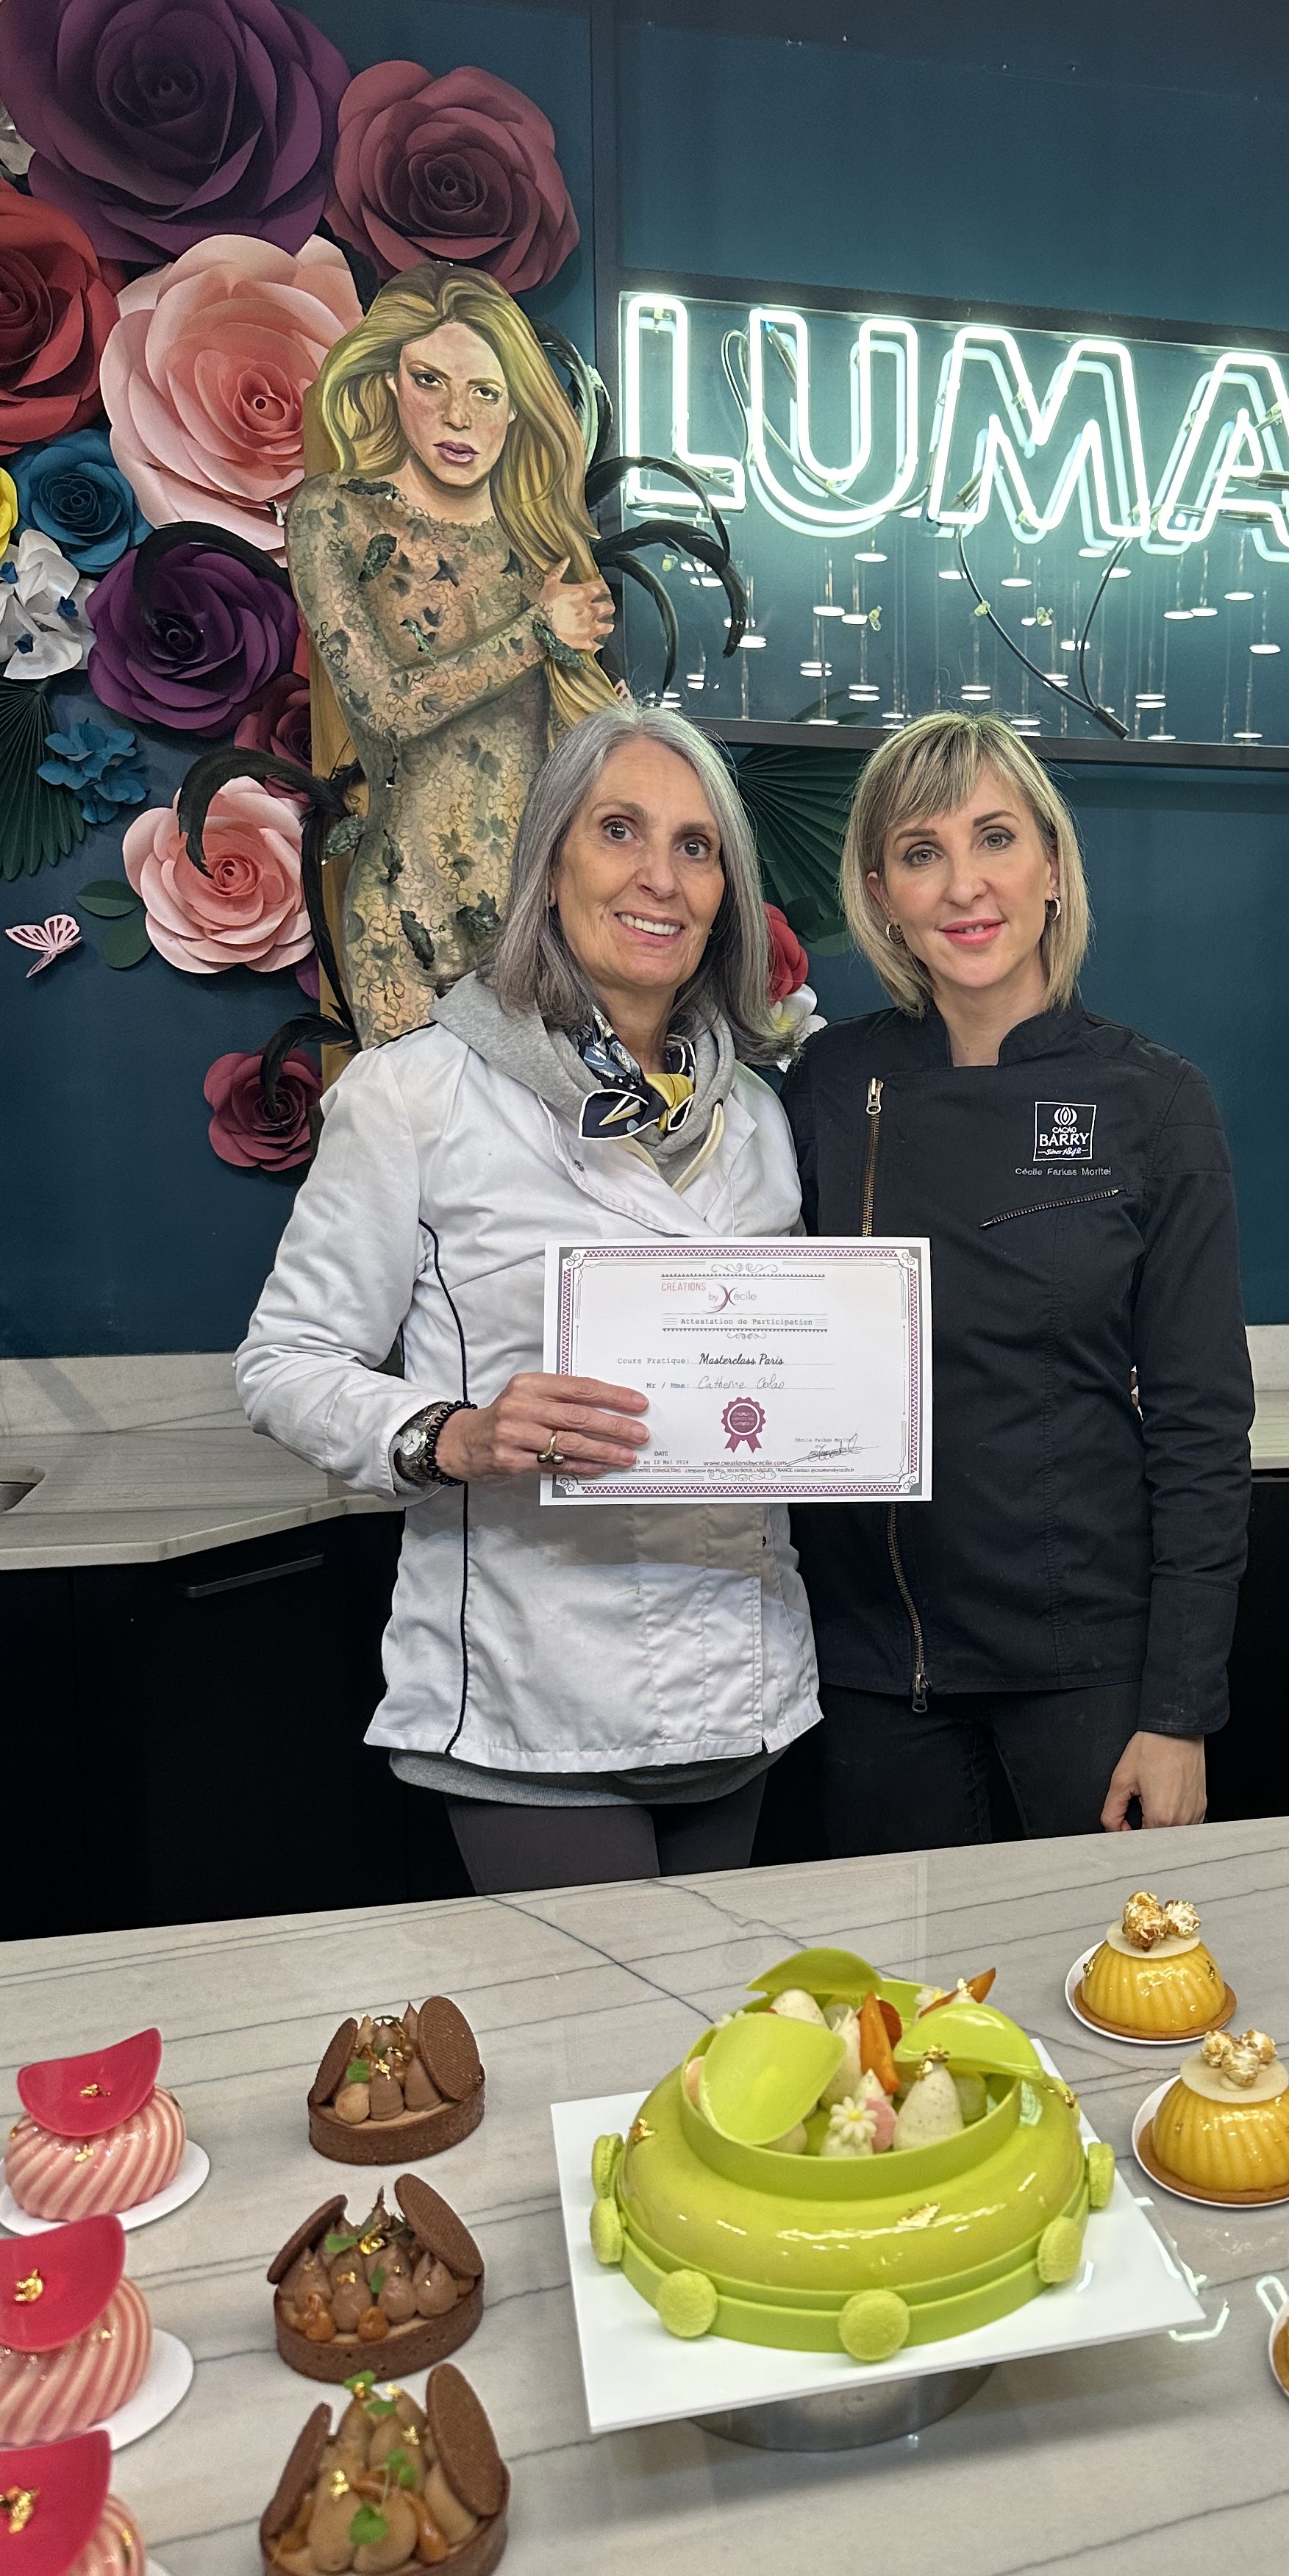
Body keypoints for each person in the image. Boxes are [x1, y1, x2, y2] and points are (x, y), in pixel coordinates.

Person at [236, 703, 817, 1891]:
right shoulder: (416, 1096)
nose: (661, 879)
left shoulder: (754, 1113)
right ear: (550, 863)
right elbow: (283, 1363)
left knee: (725, 2018)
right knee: (597, 2018)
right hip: (528, 1694)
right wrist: (454, 1434)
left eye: (697, 847)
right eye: (619, 830)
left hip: (741, 1684)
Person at [780, 710, 1252, 1852]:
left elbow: (1201, 1426)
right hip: (872, 1666)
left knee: (1102, 1960)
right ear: (883, 895)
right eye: (921, 852)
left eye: (994, 838)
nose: (964, 886)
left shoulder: (1154, 1101)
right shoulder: (830, 1082)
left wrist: (1180, 1712)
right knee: (888, 1972)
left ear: (1051, 865)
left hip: (1086, 1664)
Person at [287, 261, 618, 1047]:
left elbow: (578, 752)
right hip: (404, 912)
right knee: (413, 1125)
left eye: (486, 392)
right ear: (389, 382)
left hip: (546, 922)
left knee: (561, 1130)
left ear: (516, 409)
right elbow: (384, 709)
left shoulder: (539, 539)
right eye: (429, 380)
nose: (457, 416)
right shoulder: (334, 515)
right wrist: (535, 633)